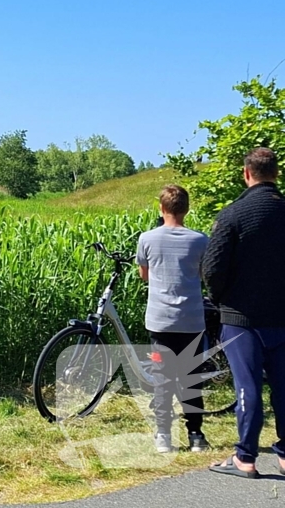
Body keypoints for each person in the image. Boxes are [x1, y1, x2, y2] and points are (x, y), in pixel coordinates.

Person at [204, 147, 285, 479]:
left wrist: (220, 298)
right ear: (276, 174)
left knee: (248, 385)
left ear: (247, 174)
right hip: (282, 317)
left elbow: (211, 267)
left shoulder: (233, 215)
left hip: (241, 318)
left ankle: (245, 457)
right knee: (283, 386)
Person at [135, 185, 209, 453]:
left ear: (161, 208)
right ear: (186, 209)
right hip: (191, 320)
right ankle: (196, 435)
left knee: (162, 378)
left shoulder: (147, 239)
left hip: (160, 321)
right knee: (192, 378)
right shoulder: (201, 240)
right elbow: (203, 274)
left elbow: (145, 275)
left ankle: (164, 435)